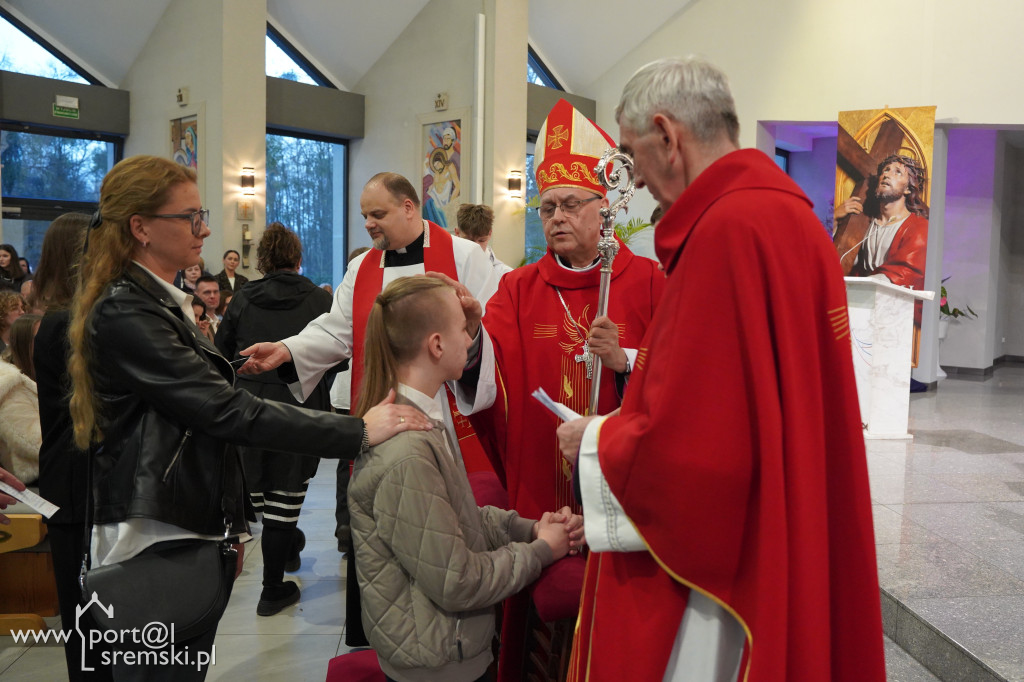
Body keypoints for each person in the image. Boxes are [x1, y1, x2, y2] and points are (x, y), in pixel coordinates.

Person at [554, 57, 885, 682]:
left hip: (725, 571)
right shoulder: (791, 218)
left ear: (667, 135)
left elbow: (700, 450)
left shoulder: (726, 232)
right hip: (781, 513)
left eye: (631, 154)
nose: (638, 180)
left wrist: (593, 440)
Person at [67, 155, 431, 681]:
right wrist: (357, 430)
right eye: (190, 217)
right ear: (141, 228)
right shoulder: (129, 310)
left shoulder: (156, 301)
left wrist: (276, 354)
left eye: (202, 213)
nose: (206, 229)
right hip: (151, 532)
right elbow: (223, 410)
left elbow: (197, 393)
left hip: (178, 521)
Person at [451, 97, 665, 681]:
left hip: (626, 495)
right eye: (547, 207)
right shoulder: (517, 290)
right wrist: (472, 345)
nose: (557, 217)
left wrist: (625, 361)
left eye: (571, 204)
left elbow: (684, 378)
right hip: (544, 489)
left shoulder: (647, 282)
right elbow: (488, 376)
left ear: (605, 212)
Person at [238, 171, 499, 648]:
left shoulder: (464, 257)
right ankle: (386, 638)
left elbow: (492, 332)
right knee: (384, 543)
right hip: (379, 422)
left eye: (377, 214)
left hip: (447, 425)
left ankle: (451, 640)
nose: (368, 225)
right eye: (363, 215)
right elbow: (337, 329)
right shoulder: (363, 269)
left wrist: (476, 333)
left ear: (408, 207)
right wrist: (288, 350)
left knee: (441, 542)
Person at [349, 276, 582, 682]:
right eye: (463, 329)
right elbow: (458, 582)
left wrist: (530, 528)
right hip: (437, 662)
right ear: (436, 345)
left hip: (446, 647)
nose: (470, 340)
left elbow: (459, 517)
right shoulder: (406, 451)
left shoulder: (419, 418)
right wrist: (543, 550)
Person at [215, 222, 334, 616]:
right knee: (289, 491)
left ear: (263, 259)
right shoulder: (318, 298)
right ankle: (271, 588)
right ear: (298, 258)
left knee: (265, 495)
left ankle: (286, 550)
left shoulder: (245, 296)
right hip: (301, 403)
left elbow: (222, 351)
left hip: (249, 404)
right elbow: (337, 353)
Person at [31, 212, 114, 681]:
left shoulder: (61, 320)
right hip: (82, 485)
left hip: (72, 482)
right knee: (92, 628)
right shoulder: (70, 324)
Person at [843, 154, 928, 289]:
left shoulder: (919, 227)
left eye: (897, 172)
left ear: (908, 189)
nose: (887, 175)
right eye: (886, 170)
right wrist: (836, 219)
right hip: (859, 299)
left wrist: (862, 287)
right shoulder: (864, 222)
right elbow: (845, 258)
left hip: (893, 302)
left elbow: (906, 271)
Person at [0, 313, 42, 484]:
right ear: (25, 344)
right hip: (31, 485)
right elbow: (33, 444)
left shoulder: (45, 376)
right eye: (38, 338)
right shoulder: (10, 384)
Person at [455, 203, 513, 278]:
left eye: (481, 240)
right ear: (457, 233)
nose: (476, 247)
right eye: (469, 240)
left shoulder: (504, 275)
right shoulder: (445, 268)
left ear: (490, 233)